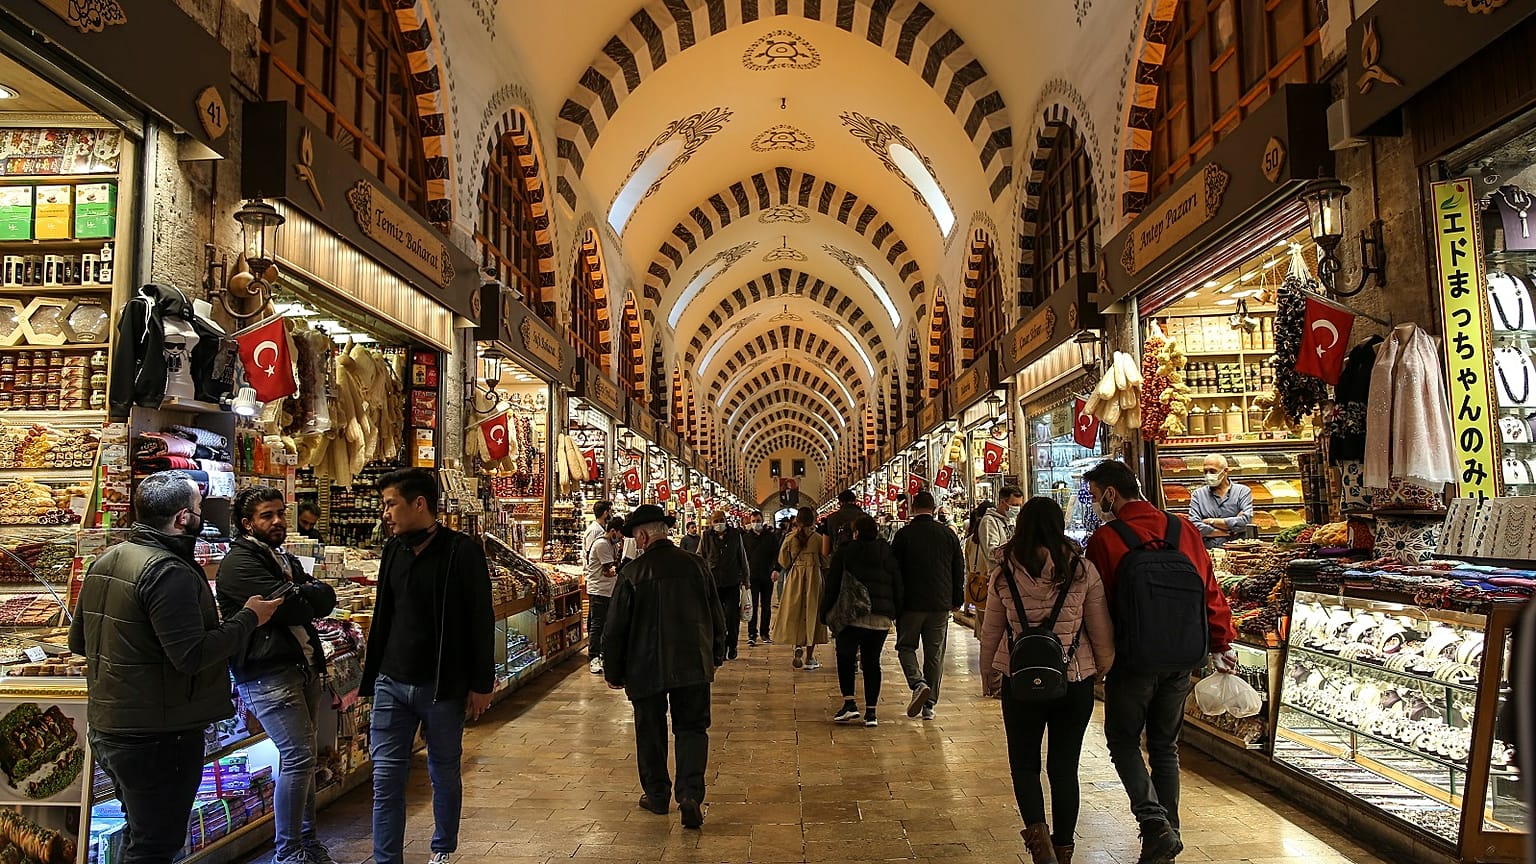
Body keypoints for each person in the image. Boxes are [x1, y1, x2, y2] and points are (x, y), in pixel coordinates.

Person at [69, 471, 284, 864]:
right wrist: (249, 618)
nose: (203, 516)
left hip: (109, 727)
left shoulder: (105, 561)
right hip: (159, 736)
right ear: (184, 517)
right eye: (200, 509)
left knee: (141, 834)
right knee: (156, 846)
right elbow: (193, 655)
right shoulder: (168, 571)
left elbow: (78, 642)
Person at [1083, 460, 1237, 864]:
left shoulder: (1106, 539)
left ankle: (1154, 825)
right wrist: (1221, 642)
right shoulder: (1182, 529)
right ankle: (1169, 833)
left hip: (1134, 659)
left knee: (1122, 740)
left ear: (1111, 494)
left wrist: (1100, 657)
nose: (1097, 503)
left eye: (1097, 495)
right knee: (1165, 745)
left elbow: (1099, 606)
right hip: (1183, 655)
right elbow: (1209, 591)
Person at [361, 468, 495, 864]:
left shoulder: (461, 550)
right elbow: (384, 613)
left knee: (443, 772)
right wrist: (372, 678)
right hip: (392, 681)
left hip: (442, 686)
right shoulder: (393, 550)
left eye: (391, 504)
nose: (385, 513)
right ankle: (387, 858)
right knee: (385, 780)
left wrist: (481, 683)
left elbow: (479, 618)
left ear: (419, 503)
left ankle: (442, 848)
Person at [980, 498, 1115, 864]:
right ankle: (1064, 848)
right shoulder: (1082, 571)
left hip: (1020, 681)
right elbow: (1099, 628)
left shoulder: (1003, 573)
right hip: (1073, 680)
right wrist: (1100, 668)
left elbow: (991, 630)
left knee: (1024, 764)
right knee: (1063, 766)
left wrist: (989, 674)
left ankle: (1040, 848)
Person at [216, 486, 339, 864]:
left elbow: (323, 601)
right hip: (268, 674)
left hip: (300, 666)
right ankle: (288, 851)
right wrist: (302, 594)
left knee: (300, 760)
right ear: (246, 523)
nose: (276, 522)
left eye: (279, 514)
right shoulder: (239, 563)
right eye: (266, 516)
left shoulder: (280, 556)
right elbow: (291, 607)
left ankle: (306, 842)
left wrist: (303, 593)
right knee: (298, 757)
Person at [603, 504, 726, 830]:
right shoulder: (697, 566)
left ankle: (657, 795)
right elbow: (716, 615)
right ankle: (689, 795)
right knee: (691, 728)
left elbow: (615, 629)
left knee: (650, 729)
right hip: (691, 662)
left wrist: (613, 671)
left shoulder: (632, 574)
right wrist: (715, 653)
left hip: (645, 665)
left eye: (637, 537)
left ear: (643, 535)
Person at [821, 516, 902, 727]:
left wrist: (825, 611)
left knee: (846, 657)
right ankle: (872, 713)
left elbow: (833, 584)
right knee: (872, 662)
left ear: (855, 532)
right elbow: (897, 582)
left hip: (852, 615)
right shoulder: (887, 552)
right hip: (880, 617)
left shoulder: (846, 552)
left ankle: (849, 703)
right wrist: (896, 611)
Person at [891, 491, 965, 721]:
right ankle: (929, 704)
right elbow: (958, 568)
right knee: (935, 653)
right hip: (939, 603)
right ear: (934, 508)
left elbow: (894, 571)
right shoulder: (947, 535)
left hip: (910, 603)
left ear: (913, 508)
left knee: (905, 647)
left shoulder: (903, 535)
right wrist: (957, 599)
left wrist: (895, 601)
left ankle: (917, 682)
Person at [773, 507, 830, 670]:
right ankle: (810, 656)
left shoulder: (790, 538)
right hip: (813, 578)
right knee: (812, 613)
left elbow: (783, 560)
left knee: (796, 612)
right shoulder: (819, 538)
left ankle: (797, 645)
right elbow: (826, 560)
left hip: (795, 578)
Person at [699, 509, 749, 660]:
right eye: (716, 521)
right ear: (710, 523)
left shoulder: (735, 535)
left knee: (731, 617)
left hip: (732, 582)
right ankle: (718, 648)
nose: (719, 524)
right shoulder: (706, 536)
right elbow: (700, 556)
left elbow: (742, 556)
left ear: (726, 520)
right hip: (713, 583)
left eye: (721, 520)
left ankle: (732, 645)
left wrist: (746, 578)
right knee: (715, 617)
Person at [973, 488, 1023, 634]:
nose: (1017, 508)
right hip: (998, 578)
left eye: (1019, 505)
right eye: (1014, 504)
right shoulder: (989, 522)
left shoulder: (1011, 520)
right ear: (1003, 502)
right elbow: (992, 551)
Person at [1186, 454, 1254, 548]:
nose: (1208, 475)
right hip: (1208, 551)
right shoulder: (1198, 495)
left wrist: (1211, 521)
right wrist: (1230, 531)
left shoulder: (1242, 492)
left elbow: (1245, 521)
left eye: (1213, 471)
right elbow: (1194, 525)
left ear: (1225, 471)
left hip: (1237, 553)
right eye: (1205, 471)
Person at [586, 516, 625, 675]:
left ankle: (602, 654)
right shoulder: (602, 544)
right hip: (599, 590)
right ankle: (594, 656)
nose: (621, 538)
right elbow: (608, 571)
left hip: (608, 590)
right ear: (613, 531)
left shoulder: (611, 544)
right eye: (620, 534)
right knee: (598, 624)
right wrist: (620, 568)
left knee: (606, 624)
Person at [745, 511, 780, 647]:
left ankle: (764, 633)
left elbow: (777, 554)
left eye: (758, 520)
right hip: (752, 577)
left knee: (766, 605)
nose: (756, 523)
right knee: (752, 606)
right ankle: (751, 634)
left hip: (767, 576)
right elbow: (743, 557)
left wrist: (776, 569)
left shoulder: (770, 537)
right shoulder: (746, 538)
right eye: (754, 520)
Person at [820, 489, 867, 558]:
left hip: (839, 562)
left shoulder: (830, 519)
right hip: (861, 561)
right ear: (855, 501)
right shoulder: (865, 517)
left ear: (840, 503)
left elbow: (825, 551)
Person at [584, 500, 614, 564]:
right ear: (605, 513)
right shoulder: (594, 530)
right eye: (609, 512)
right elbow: (589, 551)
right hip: (594, 570)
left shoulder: (601, 528)